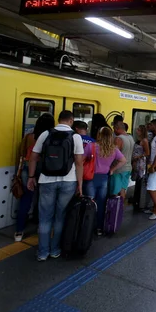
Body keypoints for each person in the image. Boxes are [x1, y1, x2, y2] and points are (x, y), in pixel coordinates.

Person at [27, 110, 84, 261]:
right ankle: (55, 250)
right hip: (68, 181)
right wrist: (80, 184)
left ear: (59, 120)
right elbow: (79, 163)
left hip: (46, 180)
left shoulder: (45, 134)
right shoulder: (76, 137)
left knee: (45, 218)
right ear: (71, 121)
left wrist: (31, 177)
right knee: (61, 217)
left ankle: (42, 252)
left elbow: (33, 158)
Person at [14, 113, 55, 242]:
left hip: (27, 168)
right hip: (43, 169)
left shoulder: (29, 136)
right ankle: (40, 227)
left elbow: (22, 153)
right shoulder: (51, 137)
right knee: (43, 199)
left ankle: (19, 232)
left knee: (26, 199)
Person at [84, 126, 126, 235]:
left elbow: (81, 160)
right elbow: (123, 160)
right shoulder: (113, 149)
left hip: (91, 178)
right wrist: (112, 169)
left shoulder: (91, 146)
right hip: (104, 178)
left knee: (90, 202)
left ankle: (88, 227)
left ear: (99, 135)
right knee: (101, 203)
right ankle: (99, 228)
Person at [112, 122, 135, 200]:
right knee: (123, 190)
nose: (113, 131)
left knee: (115, 192)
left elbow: (114, 154)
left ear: (117, 128)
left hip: (119, 169)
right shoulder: (131, 137)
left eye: (114, 129)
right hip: (128, 168)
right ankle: (120, 209)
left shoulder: (118, 139)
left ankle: (113, 210)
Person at [132, 124, 151, 210]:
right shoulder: (138, 140)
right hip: (136, 162)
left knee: (140, 180)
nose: (137, 131)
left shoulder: (144, 141)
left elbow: (147, 153)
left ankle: (138, 201)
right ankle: (135, 199)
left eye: (138, 130)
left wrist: (138, 157)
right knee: (137, 181)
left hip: (141, 163)